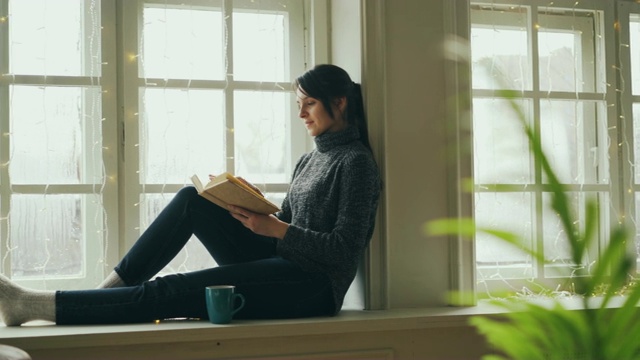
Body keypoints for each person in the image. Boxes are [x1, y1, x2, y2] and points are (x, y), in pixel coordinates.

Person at [0, 64, 381, 326]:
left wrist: (278, 230)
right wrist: (250, 200)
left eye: (309, 103)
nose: (302, 114)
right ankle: (105, 294)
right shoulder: (308, 160)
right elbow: (288, 222)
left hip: (313, 286)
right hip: (282, 259)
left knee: (174, 288)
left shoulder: (356, 163)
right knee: (192, 199)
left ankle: (32, 305)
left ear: (340, 102)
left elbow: (344, 249)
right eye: (299, 105)